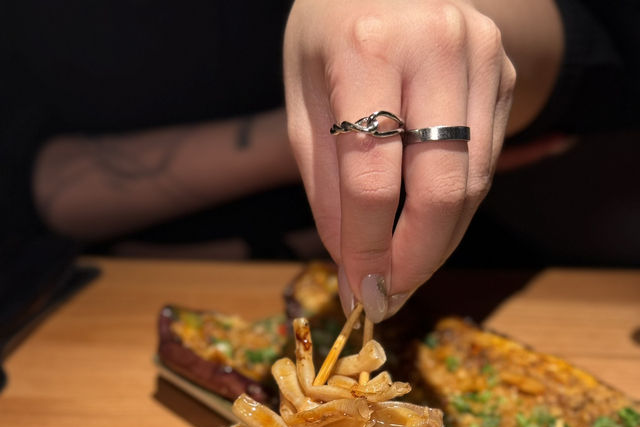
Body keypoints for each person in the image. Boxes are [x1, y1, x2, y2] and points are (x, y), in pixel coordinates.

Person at [2, 0, 638, 317]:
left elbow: (602, 57)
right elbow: (35, 181)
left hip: (469, 285)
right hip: (106, 297)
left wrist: (451, 30)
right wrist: (315, 133)